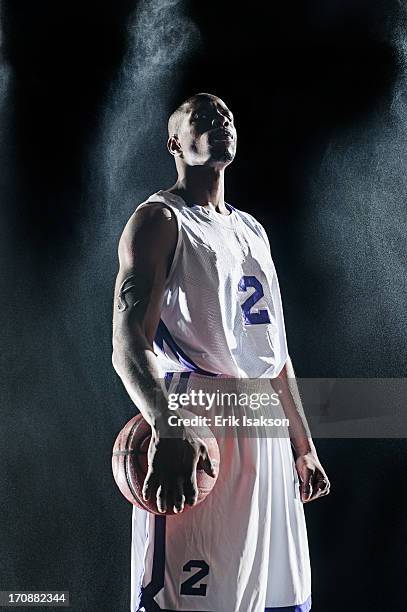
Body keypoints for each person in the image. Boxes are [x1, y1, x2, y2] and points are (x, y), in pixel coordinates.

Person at [112, 92, 330, 612]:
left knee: (280, 599)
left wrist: (304, 445)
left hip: (265, 425)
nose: (220, 121)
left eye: (227, 115)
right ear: (174, 142)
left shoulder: (252, 229)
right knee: (196, 600)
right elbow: (126, 342)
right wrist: (165, 423)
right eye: (202, 116)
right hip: (200, 421)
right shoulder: (160, 219)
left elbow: (275, 352)